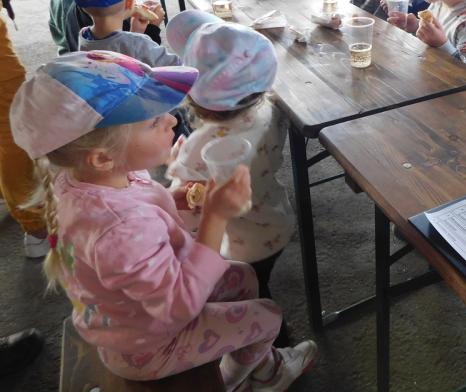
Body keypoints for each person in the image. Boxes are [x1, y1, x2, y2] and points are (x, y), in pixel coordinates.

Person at [9, 50, 317, 389]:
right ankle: (254, 378)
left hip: (131, 310)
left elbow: (134, 214)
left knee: (243, 276)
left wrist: (171, 200)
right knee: (268, 316)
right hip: (149, 345)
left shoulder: (90, 177)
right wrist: (215, 218)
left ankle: (260, 363)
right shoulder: (119, 228)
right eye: (153, 121)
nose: (171, 120)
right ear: (102, 157)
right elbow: (178, 306)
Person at [0, 0, 136, 371]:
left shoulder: (77, 36)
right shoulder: (128, 58)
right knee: (10, 115)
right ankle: (35, 218)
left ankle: (33, 213)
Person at [165, 11, 294, 344]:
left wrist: (175, 164)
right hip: (275, 220)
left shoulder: (199, 146)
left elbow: (187, 210)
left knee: (253, 297)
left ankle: (276, 347)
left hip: (235, 245)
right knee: (262, 280)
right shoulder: (271, 110)